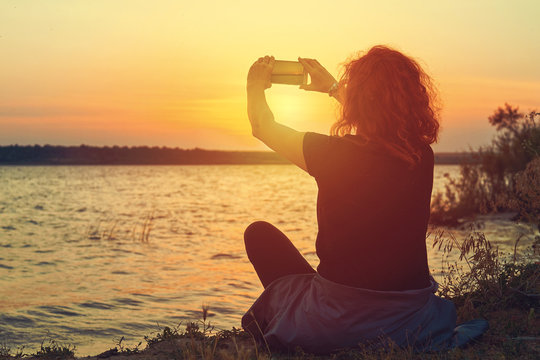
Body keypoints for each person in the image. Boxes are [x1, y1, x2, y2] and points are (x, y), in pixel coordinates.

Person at [242, 46, 457, 353]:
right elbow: (382, 127)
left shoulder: (331, 154)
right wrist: (332, 88)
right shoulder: (421, 156)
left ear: (358, 102)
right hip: (411, 318)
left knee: (259, 235)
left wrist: (254, 84)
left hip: (339, 321)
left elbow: (262, 126)